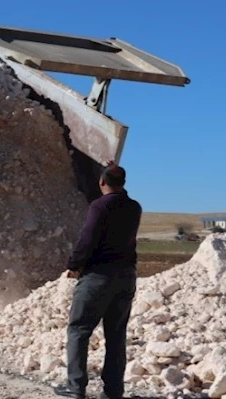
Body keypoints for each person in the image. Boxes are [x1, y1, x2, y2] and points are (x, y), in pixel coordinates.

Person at [53, 161, 142, 399]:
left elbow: (87, 238)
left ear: (101, 182)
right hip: (126, 277)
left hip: (98, 277)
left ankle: (76, 387)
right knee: (115, 335)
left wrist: (73, 265)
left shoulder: (99, 207)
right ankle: (113, 391)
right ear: (123, 183)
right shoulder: (134, 207)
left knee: (79, 330)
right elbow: (122, 199)